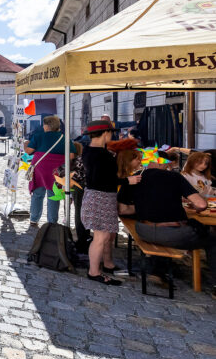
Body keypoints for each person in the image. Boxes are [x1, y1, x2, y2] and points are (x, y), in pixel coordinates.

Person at [118, 148, 216, 298]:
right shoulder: (174, 177)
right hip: (172, 233)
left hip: (144, 230)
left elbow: (123, 210)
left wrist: (147, 205)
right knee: (212, 239)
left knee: (171, 230)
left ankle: (158, 270)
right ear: (162, 164)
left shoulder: (135, 178)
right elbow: (201, 205)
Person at [81, 120, 140, 286]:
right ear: (105, 133)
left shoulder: (88, 150)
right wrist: (128, 180)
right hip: (101, 197)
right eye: (111, 133)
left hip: (96, 195)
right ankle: (94, 272)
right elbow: (105, 180)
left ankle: (100, 268)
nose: (112, 135)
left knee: (103, 236)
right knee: (100, 237)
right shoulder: (102, 155)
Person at [25, 116, 77, 227]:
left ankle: (34, 219)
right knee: (53, 195)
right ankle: (52, 222)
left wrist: (25, 144)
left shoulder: (38, 136)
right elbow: (71, 155)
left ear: (47, 125)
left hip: (40, 170)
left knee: (38, 194)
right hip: (57, 172)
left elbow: (29, 150)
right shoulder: (64, 138)